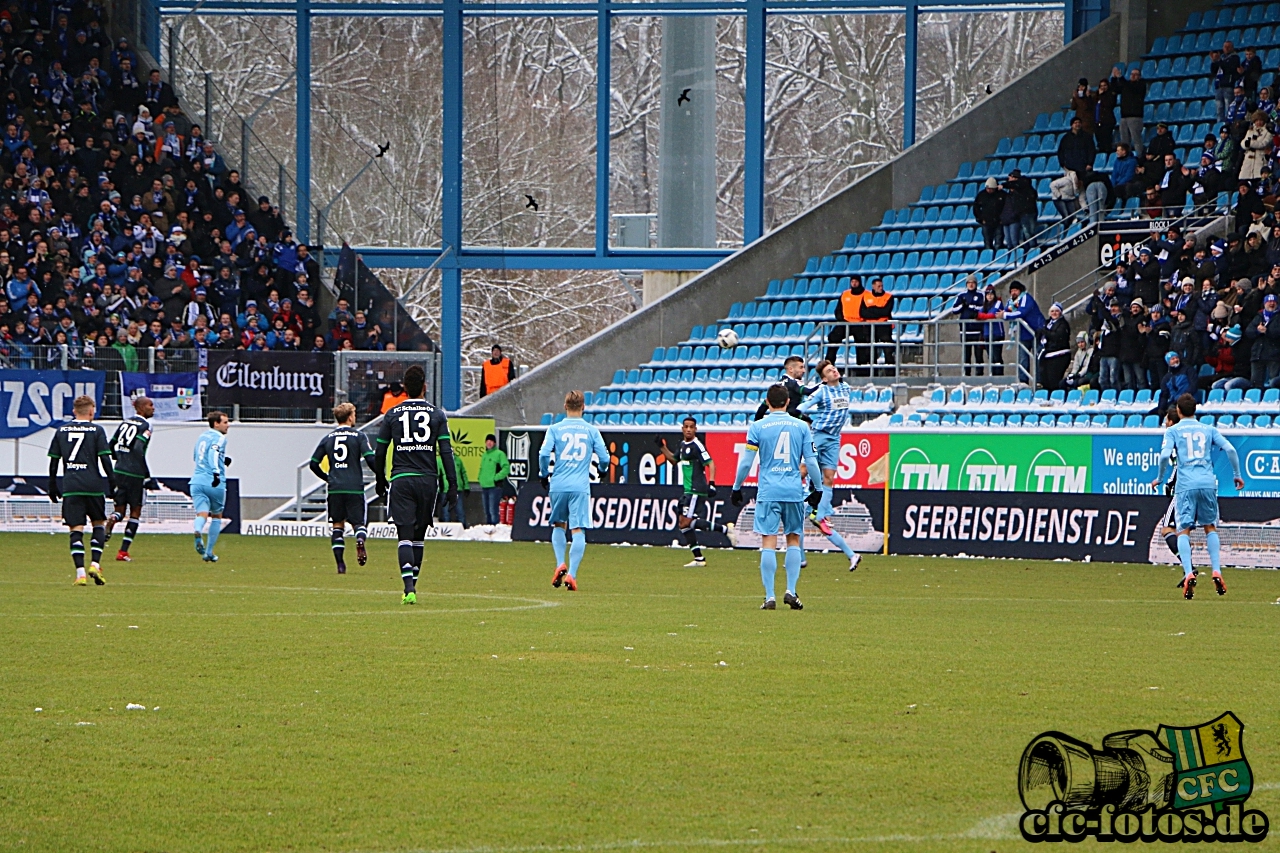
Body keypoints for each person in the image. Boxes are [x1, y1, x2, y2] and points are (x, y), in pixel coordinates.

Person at [731, 383, 824, 611]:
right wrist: (818, 489)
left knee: (768, 541)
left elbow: (746, 462)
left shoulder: (758, 426)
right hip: (793, 491)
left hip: (768, 491)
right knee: (793, 538)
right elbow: (811, 461)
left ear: (768, 402)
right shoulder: (802, 426)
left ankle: (770, 595)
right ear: (788, 402)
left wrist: (736, 487)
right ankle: (791, 591)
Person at [374, 365, 457, 605]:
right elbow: (446, 452)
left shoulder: (392, 414)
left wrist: (380, 478)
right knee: (419, 537)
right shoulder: (437, 414)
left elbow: (380, 451)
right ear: (424, 387)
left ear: (404, 388)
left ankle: (408, 588)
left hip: (401, 479)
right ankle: (412, 587)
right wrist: (452, 485)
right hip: (428, 480)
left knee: (405, 536)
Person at [1152, 394, 1243, 599]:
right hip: (1208, 482)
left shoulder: (1173, 430)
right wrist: (1237, 475)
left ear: (1179, 410)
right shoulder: (1208, 429)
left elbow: (1165, 455)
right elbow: (1230, 449)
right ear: (1195, 410)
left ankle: (1188, 573)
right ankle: (1217, 570)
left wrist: (1159, 477)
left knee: (1183, 530)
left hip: (1186, 484)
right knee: (1210, 527)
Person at [538, 390, 608, 592]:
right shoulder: (591, 430)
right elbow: (604, 457)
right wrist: (601, 471)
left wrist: (544, 474)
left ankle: (560, 562)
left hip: (558, 483)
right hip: (579, 486)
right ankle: (573, 575)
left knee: (558, 524)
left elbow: (543, 453)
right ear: (583, 407)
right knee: (578, 529)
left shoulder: (555, 429)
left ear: (565, 406)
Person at [796, 360, 861, 571]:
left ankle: (821, 512)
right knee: (804, 469)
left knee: (830, 477)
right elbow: (804, 406)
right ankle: (797, 494)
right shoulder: (823, 391)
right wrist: (800, 414)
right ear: (823, 378)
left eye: (834, 368)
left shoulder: (845, 387)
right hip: (820, 435)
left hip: (834, 438)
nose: (834, 370)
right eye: (829, 370)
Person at [48, 395, 114, 586]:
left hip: (71, 486)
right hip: (93, 485)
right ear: (91, 412)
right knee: (98, 524)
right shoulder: (97, 430)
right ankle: (95, 563)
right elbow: (105, 459)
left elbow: (54, 461)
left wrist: (52, 485)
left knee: (75, 529)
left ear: (74, 411)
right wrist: (112, 482)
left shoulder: (61, 431)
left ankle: (80, 574)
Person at [309, 403, 376, 575]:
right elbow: (370, 458)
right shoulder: (359, 436)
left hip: (335, 488)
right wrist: (381, 476)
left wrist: (328, 478)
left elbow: (313, 464)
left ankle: (340, 565)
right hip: (354, 487)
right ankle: (360, 540)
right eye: (354, 414)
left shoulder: (328, 438)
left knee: (337, 525)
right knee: (358, 524)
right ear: (350, 417)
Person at [656, 417, 732, 567]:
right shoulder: (683, 444)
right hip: (688, 490)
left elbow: (710, 463)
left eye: (692, 427)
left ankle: (724, 529)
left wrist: (711, 483)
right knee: (684, 524)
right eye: (686, 427)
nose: (689, 429)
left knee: (685, 522)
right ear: (682, 429)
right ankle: (699, 558)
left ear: (695, 429)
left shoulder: (697, 445)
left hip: (696, 489)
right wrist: (661, 447)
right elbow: (673, 460)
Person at [105, 396, 157, 562]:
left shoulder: (124, 423)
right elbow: (138, 449)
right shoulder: (146, 425)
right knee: (135, 512)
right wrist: (147, 475)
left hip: (119, 471)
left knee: (119, 510)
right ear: (140, 408)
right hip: (135, 474)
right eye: (150, 405)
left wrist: (119, 458)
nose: (153, 408)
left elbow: (110, 446)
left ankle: (112, 519)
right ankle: (123, 552)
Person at [190, 410, 231, 563]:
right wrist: (216, 472)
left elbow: (197, 457)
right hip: (214, 482)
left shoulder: (201, 437)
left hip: (196, 481)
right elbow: (213, 453)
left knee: (201, 514)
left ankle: (197, 530)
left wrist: (224, 459)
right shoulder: (220, 438)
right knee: (216, 516)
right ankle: (208, 552)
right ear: (216, 424)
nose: (228, 425)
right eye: (225, 422)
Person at [1000, 281, 1044, 384]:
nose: (1013, 293)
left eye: (1015, 290)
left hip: (1036, 332)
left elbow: (1021, 312)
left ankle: (1039, 381)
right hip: (1023, 334)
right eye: (1012, 291)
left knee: (1038, 357)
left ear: (1020, 290)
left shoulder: (1026, 298)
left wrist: (1005, 315)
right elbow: (1006, 312)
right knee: (1023, 359)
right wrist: (1003, 314)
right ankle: (1023, 381)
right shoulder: (1011, 302)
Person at [824, 275, 868, 373]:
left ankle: (863, 371)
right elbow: (838, 310)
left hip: (860, 324)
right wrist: (841, 319)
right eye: (852, 281)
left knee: (862, 346)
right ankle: (828, 366)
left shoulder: (866, 294)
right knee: (833, 338)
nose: (854, 283)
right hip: (845, 322)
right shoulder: (845, 294)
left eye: (856, 281)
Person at [754, 355, 811, 420]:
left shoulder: (777, 385)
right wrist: (823, 383)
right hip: (792, 422)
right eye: (801, 367)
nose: (804, 371)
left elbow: (762, 409)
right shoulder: (793, 384)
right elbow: (809, 391)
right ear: (791, 369)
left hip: (778, 421)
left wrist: (757, 424)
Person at [952, 274, 986, 376]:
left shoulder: (981, 294)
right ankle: (967, 374)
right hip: (965, 330)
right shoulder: (961, 295)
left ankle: (979, 374)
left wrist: (972, 308)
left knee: (978, 354)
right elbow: (954, 310)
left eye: (973, 283)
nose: (971, 285)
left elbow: (982, 308)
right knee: (967, 355)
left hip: (977, 331)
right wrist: (963, 306)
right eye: (969, 283)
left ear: (976, 284)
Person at [1110, 65, 1147, 158]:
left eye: (1136, 74)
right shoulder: (1126, 85)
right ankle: (1126, 156)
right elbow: (1115, 89)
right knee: (1124, 140)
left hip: (1135, 116)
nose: (1133, 76)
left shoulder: (1141, 85)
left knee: (1136, 138)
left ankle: (1140, 157)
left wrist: (1120, 77)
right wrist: (1114, 78)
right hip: (1124, 116)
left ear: (1139, 76)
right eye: (1132, 74)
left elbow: (1130, 88)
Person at [1036, 302, 1072, 391]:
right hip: (1047, 354)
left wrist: (1044, 331)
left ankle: (1057, 396)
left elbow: (1057, 336)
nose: (1054, 313)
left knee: (1054, 379)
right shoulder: (1047, 322)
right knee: (1045, 379)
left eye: (1056, 311)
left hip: (1059, 354)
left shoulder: (1063, 324)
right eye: (1052, 311)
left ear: (1060, 312)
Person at [478, 434, 509, 525]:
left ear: (494, 443)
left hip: (494, 486)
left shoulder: (499, 454)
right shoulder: (484, 455)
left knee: (493, 511)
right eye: (487, 441)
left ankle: (495, 529)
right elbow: (482, 468)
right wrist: (480, 478)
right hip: (485, 486)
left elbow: (506, 468)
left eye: (491, 441)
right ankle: (488, 529)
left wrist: (496, 478)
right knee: (486, 511)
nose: (489, 443)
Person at [973, 177, 1006, 251]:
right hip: (986, 222)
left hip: (999, 222)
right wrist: (980, 219)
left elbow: (1007, 207)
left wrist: (1003, 218)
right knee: (987, 242)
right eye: (988, 188)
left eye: (991, 188)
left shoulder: (1002, 194)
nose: (989, 190)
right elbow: (976, 208)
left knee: (999, 241)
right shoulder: (981, 195)